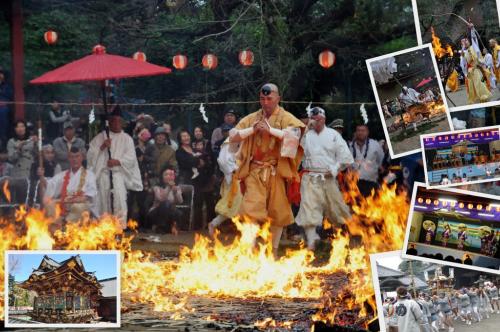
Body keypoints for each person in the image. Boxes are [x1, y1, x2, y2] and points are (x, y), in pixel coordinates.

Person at [229, 83, 305, 257]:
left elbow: (295, 136)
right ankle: (248, 251)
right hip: (255, 171)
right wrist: (252, 129)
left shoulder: (286, 117)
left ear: (278, 98)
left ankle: (274, 251)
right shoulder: (252, 118)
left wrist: (271, 130)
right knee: (251, 210)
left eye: (269, 98)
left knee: (277, 212)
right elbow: (233, 135)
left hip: (276, 171)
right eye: (262, 99)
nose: (265, 102)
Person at [295, 107, 354, 250]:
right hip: (309, 176)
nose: (316, 122)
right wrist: (304, 131)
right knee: (308, 208)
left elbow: (346, 158)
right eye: (313, 119)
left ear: (324, 119)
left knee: (336, 210)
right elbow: (293, 151)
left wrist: (334, 169)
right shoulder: (305, 136)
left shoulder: (334, 135)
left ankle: (343, 239)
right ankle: (311, 241)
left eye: (319, 119)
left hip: (328, 178)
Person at [87, 106, 143, 228]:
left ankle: (119, 227)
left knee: (119, 199)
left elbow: (131, 158)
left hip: (118, 175)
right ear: (109, 122)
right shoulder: (101, 137)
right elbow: (90, 156)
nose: (116, 123)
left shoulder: (127, 139)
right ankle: (104, 227)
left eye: (119, 121)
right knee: (104, 200)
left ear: (122, 122)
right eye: (114, 120)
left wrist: (118, 161)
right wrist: (102, 147)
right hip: (104, 174)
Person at [43, 147, 97, 226]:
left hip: (81, 206)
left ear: (82, 158)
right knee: (50, 204)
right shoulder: (62, 175)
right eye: (72, 157)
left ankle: (66, 228)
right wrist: (41, 176)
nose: (74, 159)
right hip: (64, 205)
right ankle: (54, 229)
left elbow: (87, 197)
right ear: (68, 158)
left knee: (77, 207)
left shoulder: (89, 175)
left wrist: (66, 200)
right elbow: (49, 186)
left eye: (77, 156)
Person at [176, 129, 215, 230]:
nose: (186, 138)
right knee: (196, 202)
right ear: (180, 139)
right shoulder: (179, 151)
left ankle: (207, 225)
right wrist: (198, 161)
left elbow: (205, 160)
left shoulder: (194, 148)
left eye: (187, 135)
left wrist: (200, 162)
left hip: (202, 179)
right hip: (189, 180)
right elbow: (186, 163)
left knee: (206, 201)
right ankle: (195, 227)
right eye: (183, 136)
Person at [208, 139, 242, 236]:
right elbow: (223, 161)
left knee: (246, 207)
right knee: (231, 205)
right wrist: (235, 170)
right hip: (235, 180)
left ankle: (246, 232)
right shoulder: (231, 140)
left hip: (248, 179)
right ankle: (214, 223)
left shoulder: (250, 137)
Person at [349, 124, 384, 196]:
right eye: (358, 130)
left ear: (367, 132)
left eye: (363, 130)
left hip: (371, 182)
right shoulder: (350, 146)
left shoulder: (375, 145)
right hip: (354, 184)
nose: (360, 133)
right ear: (356, 132)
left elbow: (381, 160)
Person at [146, 167, 182, 234]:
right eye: (166, 175)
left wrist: (175, 192)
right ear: (162, 177)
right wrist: (168, 187)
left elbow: (180, 201)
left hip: (169, 212)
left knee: (178, 212)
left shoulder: (177, 188)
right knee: (166, 203)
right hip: (155, 213)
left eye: (171, 175)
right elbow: (161, 199)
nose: (168, 176)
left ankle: (171, 228)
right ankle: (160, 227)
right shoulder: (157, 187)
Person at [460, 35, 491, 104]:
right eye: (463, 42)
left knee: (480, 83)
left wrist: (472, 30)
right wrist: (462, 57)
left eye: (466, 41)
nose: (465, 43)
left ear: (469, 41)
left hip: (476, 70)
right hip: (470, 72)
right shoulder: (464, 53)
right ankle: (476, 97)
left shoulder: (473, 47)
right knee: (472, 86)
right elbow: (463, 64)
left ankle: (483, 96)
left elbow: (474, 39)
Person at [0, 70, 12, 146]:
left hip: (3, 107)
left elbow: (9, 95)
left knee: (3, 112)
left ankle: (3, 138)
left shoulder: (7, 86)